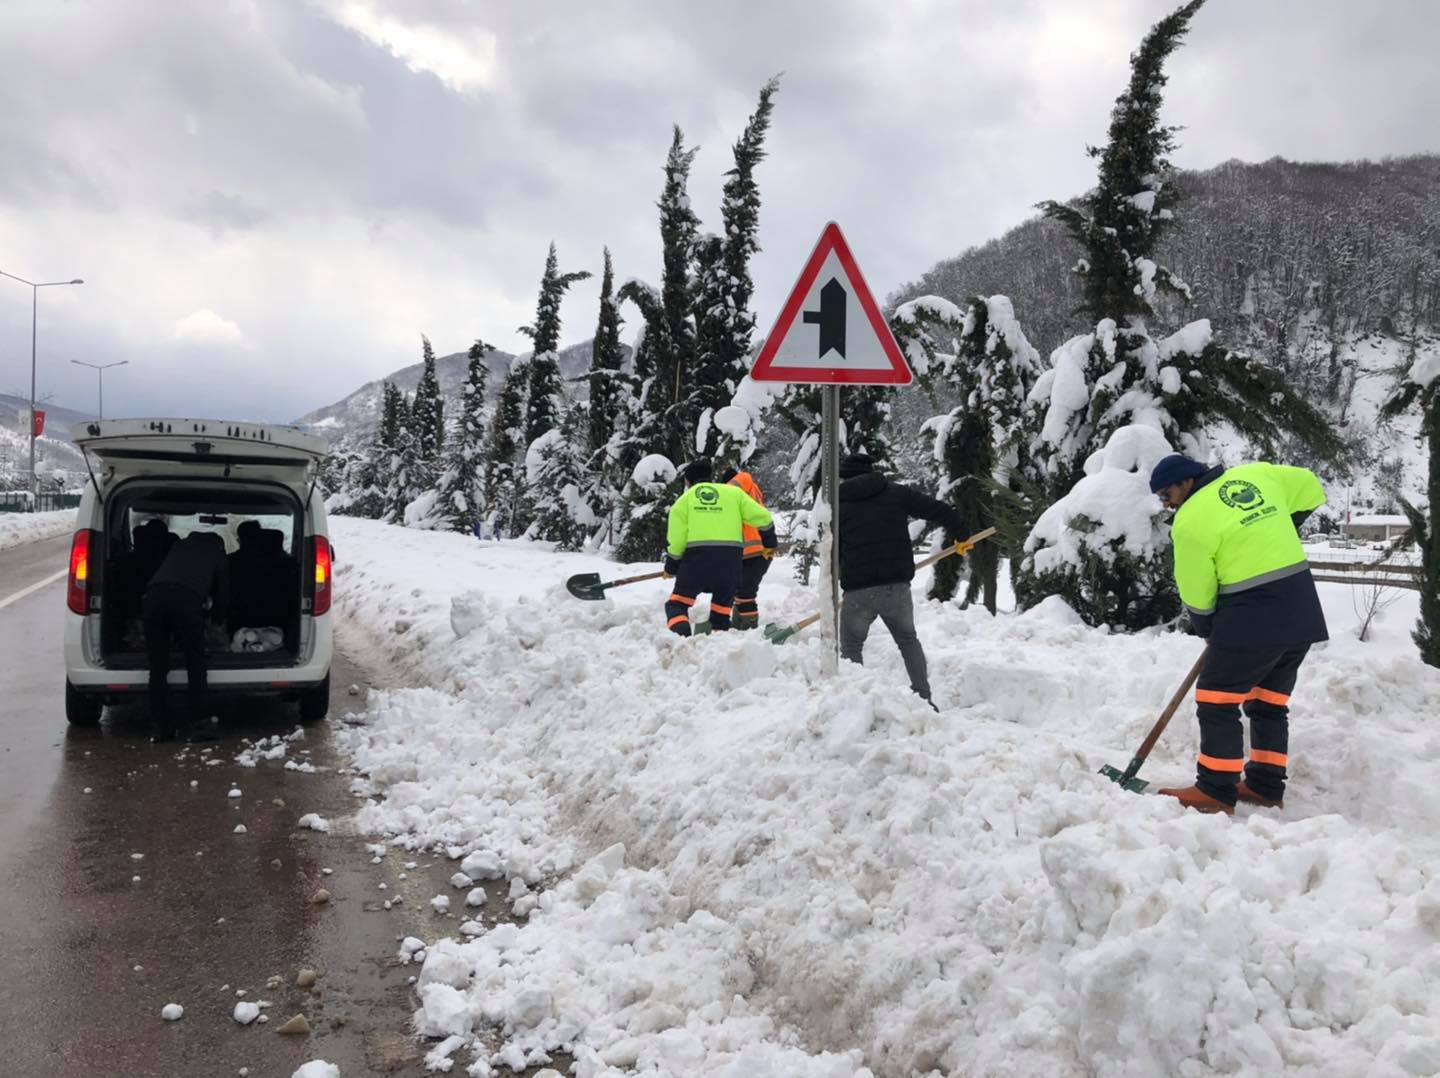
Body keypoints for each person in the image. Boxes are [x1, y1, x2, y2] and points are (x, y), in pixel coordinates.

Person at [1149, 453, 1328, 815]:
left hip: (1254, 616)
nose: (1166, 504)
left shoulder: (1191, 520)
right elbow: (1311, 486)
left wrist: (1208, 629)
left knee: (1216, 699)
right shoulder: (1258, 474)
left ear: (1186, 482)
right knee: (1268, 701)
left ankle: (1216, 790)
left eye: (1166, 494)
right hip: (1301, 610)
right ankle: (1265, 785)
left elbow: (1196, 588)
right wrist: (1277, 525)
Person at [836, 454, 967, 707]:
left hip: (857, 589)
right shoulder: (895, 493)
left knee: (851, 647)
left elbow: (831, 546)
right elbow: (940, 510)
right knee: (908, 641)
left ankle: (853, 706)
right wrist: (961, 535)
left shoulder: (837, 503)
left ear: (844, 476)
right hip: (895, 586)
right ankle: (924, 698)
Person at [663, 459, 776, 636]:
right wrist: (770, 544)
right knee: (721, 613)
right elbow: (764, 518)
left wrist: (671, 566)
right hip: (730, 565)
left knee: (677, 605)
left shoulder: (683, 501)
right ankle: (719, 643)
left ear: (688, 481)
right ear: (710, 476)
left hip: (696, 562)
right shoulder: (733, 494)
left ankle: (682, 643)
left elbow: (676, 541)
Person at [142, 531, 228, 743]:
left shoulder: (179, 547)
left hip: (153, 599)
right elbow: (223, 592)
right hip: (186, 601)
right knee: (195, 662)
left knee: (158, 666)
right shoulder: (216, 552)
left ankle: (160, 727)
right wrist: (218, 620)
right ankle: (200, 723)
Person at [721, 467, 773, 630]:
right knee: (741, 593)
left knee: (745, 595)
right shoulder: (749, 490)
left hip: (754, 551)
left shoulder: (739, 485)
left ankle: (749, 632)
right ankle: (738, 630)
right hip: (754, 551)